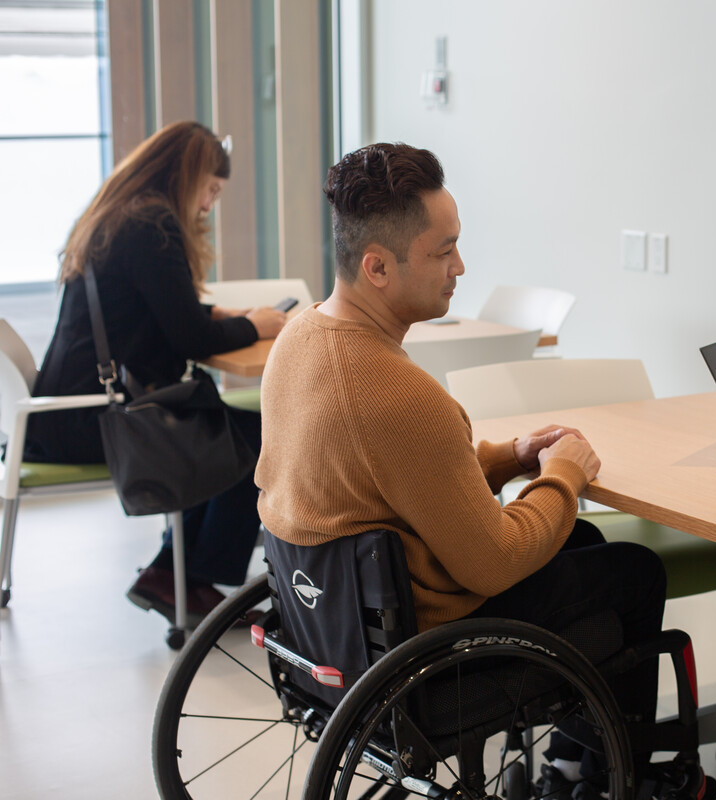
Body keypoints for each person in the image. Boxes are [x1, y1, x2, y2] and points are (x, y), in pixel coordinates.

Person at [254, 142, 667, 793]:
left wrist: (507, 457)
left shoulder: (299, 340)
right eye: (442, 252)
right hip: (425, 654)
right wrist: (563, 474)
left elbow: (385, 481)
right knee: (634, 571)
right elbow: (496, 561)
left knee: (581, 543)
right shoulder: (400, 393)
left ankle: (576, 761)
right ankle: (605, 775)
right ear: (378, 267)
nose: (461, 267)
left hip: (331, 625)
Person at [25, 121, 287, 626]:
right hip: (93, 420)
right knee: (255, 443)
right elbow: (191, 340)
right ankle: (187, 579)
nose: (209, 205)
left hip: (64, 414)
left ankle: (172, 575)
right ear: (186, 176)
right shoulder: (152, 225)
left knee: (224, 429)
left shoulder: (121, 215)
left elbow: (154, 312)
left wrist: (218, 317)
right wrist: (251, 324)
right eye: (210, 190)